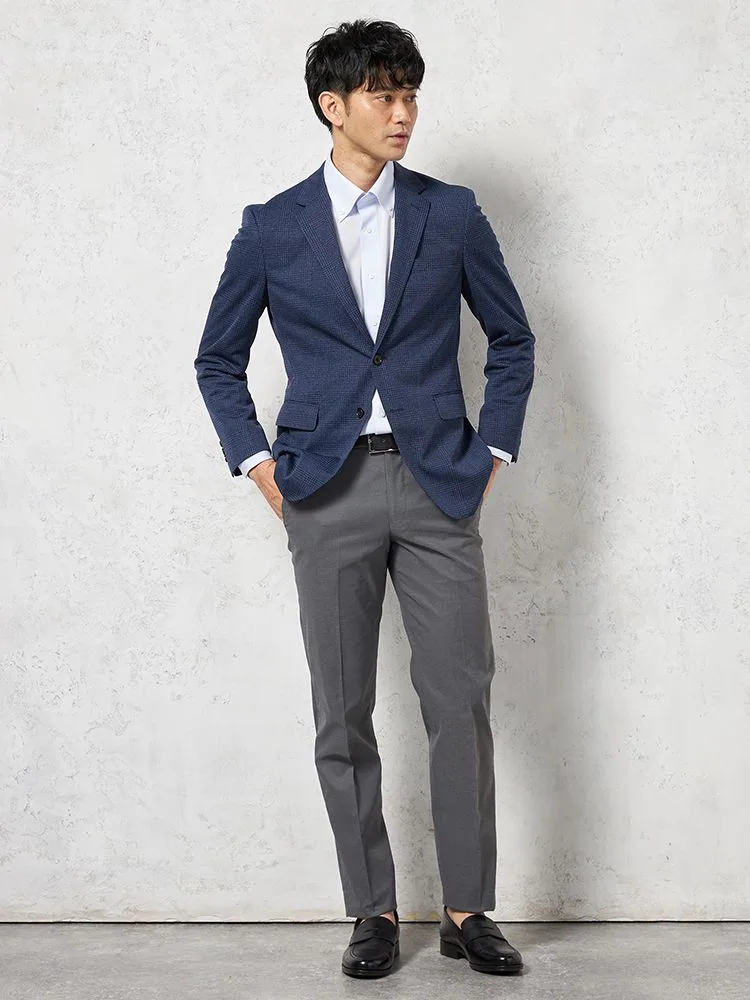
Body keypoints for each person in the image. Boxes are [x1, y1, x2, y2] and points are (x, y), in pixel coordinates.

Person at [194, 17, 535, 979]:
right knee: (341, 710)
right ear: (332, 106)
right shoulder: (273, 226)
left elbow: (512, 340)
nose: (404, 113)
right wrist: (260, 468)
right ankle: (372, 912)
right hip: (323, 487)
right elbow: (217, 360)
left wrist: (489, 452)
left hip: (437, 485)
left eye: (412, 94)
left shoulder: (450, 213)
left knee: (459, 698)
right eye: (385, 95)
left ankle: (467, 911)